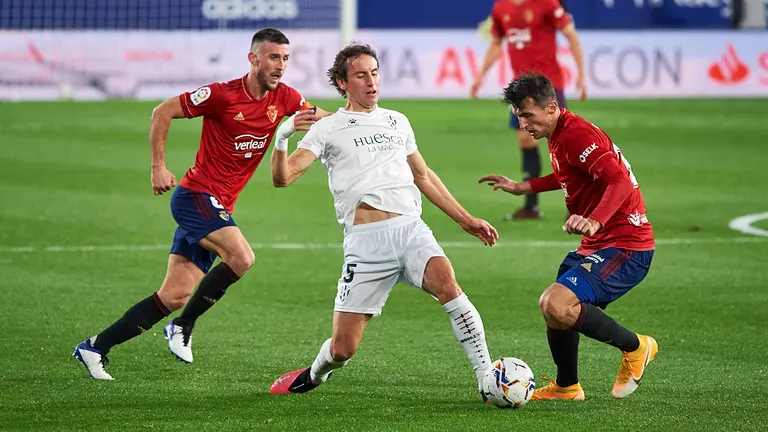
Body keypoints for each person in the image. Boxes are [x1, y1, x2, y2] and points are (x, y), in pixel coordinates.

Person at [73, 28, 328, 380]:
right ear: (253, 58)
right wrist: (158, 167)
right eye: (273, 57)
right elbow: (162, 112)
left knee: (174, 295)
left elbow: (324, 116)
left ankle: (95, 347)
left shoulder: (286, 98)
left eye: (285, 58)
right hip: (195, 197)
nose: (280, 66)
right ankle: (183, 327)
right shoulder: (222, 95)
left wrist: (360, 119)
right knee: (242, 257)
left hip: (220, 206)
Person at [267, 43, 499, 399]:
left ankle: (486, 377)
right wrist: (282, 138)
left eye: (374, 73)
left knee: (448, 286)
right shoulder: (328, 127)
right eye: (361, 75)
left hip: (410, 230)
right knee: (343, 348)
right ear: (343, 83)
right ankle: (314, 375)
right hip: (366, 242)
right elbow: (283, 178)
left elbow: (423, 175)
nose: (371, 82)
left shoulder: (397, 120)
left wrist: (465, 220)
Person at [479, 73, 657, 400]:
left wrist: (594, 221)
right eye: (518, 117)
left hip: (627, 246)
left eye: (528, 116)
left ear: (551, 107)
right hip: (601, 243)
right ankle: (567, 386)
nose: (523, 124)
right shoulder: (561, 133)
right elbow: (568, 173)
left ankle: (637, 347)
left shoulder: (576, 135)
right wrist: (524, 186)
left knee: (555, 303)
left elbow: (619, 181)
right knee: (555, 310)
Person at [471, 0, 586, 220]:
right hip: (521, 88)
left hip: (548, 86)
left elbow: (571, 35)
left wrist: (581, 74)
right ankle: (531, 207)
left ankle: (580, 203)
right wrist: (480, 75)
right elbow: (496, 43)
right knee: (525, 140)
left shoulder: (547, 4)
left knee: (564, 143)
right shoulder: (501, 8)